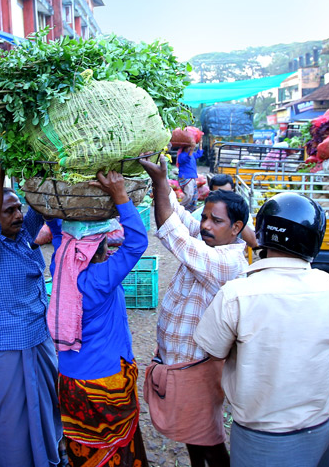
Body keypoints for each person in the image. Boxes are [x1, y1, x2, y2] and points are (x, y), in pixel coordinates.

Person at [194, 193, 329, 467]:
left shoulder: (237, 293)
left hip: (259, 435)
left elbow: (212, 351)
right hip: (318, 429)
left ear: (263, 232)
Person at [138, 155, 249, 467]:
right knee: (193, 436)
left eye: (216, 221)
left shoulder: (228, 262)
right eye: (207, 218)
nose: (206, 225)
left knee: (209, 440)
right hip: (181, 363)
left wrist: (160, 184)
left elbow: (175, 236)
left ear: (236, 228)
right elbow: (181, 216)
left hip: (198, 367)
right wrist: (162, 178)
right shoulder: (210, 241)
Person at [46, 170, 149, 466]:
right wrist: (120, 197)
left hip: (71, 381)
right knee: (117, 451)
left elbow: (57, 235)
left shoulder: (61, 269)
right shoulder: (100, 278)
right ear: (100, 247)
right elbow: (136, 243)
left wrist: (53, 208)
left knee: (85, 447)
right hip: (106, 384)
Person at [0, 164, 63, 467]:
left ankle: (50, 456)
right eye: (8, 211)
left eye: (18, 209)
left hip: (40, 335)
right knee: (10, 415)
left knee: (47, 403)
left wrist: (39, 163)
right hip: (8, 342)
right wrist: (0, 166)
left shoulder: (25, 234)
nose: (17, 215)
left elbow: (42, 199)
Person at [207, 174, 257, 249]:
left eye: (227, 194)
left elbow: (253, 243)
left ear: (233, 192)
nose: (224, 199)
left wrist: (237, 217)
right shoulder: (199, 215)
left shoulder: (241, 213)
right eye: (218, 195)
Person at [177, 144, 203, 212]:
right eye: (189, 147)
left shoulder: (192, 155)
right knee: (189, 195)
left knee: (194, 195)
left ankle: (190, 209)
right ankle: (180, 208)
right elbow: (187, 159)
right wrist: (191, 150)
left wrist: (200, 143)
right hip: (185, 177)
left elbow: (199, 154)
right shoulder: (181, 155)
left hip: (192, 176)